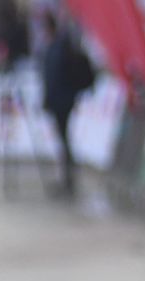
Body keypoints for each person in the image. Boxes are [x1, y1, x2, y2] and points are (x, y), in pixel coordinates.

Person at [40, 10, 91, 196]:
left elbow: (58, 78)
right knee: (62, 139)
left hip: (62, 101)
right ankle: (67, 177)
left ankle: (69, 178)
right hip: (60, 100)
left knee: (64, 139)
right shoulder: (55, 46)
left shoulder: (60, 47)